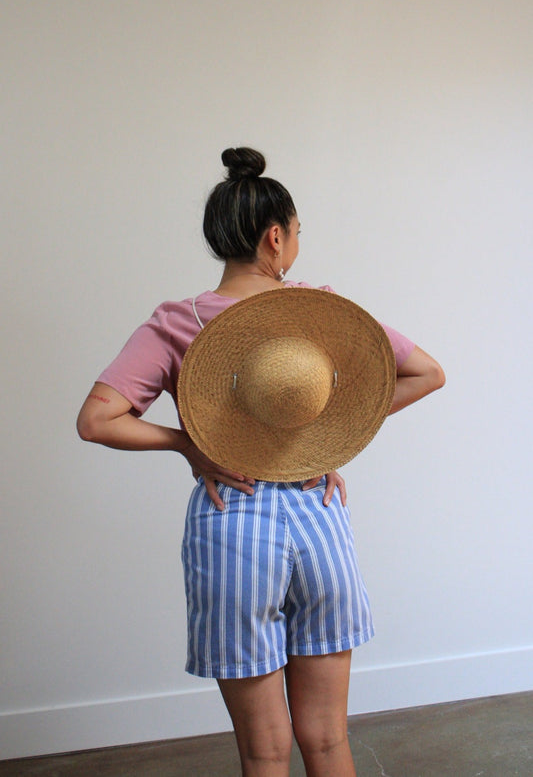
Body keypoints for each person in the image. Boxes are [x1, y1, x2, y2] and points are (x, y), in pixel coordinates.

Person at [77, 147, 445, 777]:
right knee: (328, 740)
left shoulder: (177, 322)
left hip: (232, 523)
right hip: (318, 512)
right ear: (276, 238)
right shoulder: (319, 312)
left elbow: (96, 420)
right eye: (297, 233)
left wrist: (189, 446)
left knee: (263, 750)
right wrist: (328, 433)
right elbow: (426, 373)